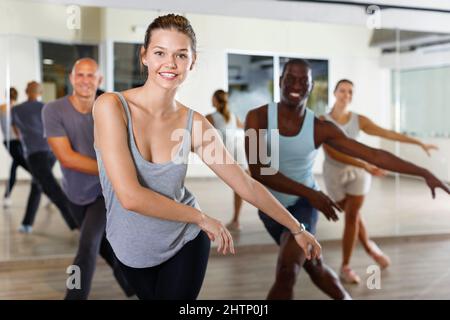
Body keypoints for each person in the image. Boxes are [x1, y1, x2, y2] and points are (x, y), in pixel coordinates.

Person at [93, 14, 321, 300]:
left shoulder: (195, 124)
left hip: (184, 241)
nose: (170, 63)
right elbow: (130, 196)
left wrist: (297, 228)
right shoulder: (111, 107)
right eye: (160, 52)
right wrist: (201, 217)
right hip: (130, 249)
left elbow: (245, 184)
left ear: (193, 61)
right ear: (145, 56)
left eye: (181, 55)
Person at [245, 58, 450, 300]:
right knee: (314, 265)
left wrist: (423, 172)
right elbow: (259, 171)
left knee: (287, 271)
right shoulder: (257, 117)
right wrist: (312, 193)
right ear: (280, 81)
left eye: (303, 81)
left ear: (311, 87)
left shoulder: (320, 127)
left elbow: (374, 155)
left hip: (302, 207)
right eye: (290, 78)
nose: (296, 85)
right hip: (270, 208)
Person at [321, 79, 439, 283]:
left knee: (352, 216)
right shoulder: (322, 121)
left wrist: (418, 142)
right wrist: (365, 165)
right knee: (351, 216)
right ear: (334, 92)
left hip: (359, 173)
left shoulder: (358, 120)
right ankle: (369, 247)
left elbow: (387, 133)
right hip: (335, 173)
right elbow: (332, 153)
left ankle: (345, 267)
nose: (346, 95)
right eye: (342, 91)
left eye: (350, 92)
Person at [42, 58, 133, 300]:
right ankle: (134, 287)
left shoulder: (111, 109)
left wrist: (118, 175)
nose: (85, 80)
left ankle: (74, 297)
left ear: (99, 80)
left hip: (105, 192)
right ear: (71, 78)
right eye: (80, 75)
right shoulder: (53, 110)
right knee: (104, 247)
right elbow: (67, 158)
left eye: (90, 75)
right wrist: (113, 169)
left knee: (87, 245)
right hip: (74, 192)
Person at [11, 81, 77, 233]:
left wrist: (26, 141)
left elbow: (16, 132)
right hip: (51, 152)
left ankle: (76, 221)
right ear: (40, 92)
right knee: (38, 184)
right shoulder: (46, 107)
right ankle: (27, 223)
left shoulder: (16, 110)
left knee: (51, 188)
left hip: (34, 154)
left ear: (27, 91)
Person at [206, 89, 248, 232]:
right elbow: (245, 128)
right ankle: (236, 220)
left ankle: (236, 220)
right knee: (243, 188)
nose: (211, 100)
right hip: (239, 155)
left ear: (216, 101)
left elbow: (196, 131)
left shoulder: (211, 117)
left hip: (230, 157)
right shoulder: (233, 116)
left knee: (243, 188)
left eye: (212, 98)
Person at [0, 87, 29, 208]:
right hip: (16, 142)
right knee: (31, 168)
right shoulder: (15, 109)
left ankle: (6, 196)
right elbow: (17, 128)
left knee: (14, 167)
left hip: (8, 142)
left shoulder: (2, 107)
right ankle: (48, 190)